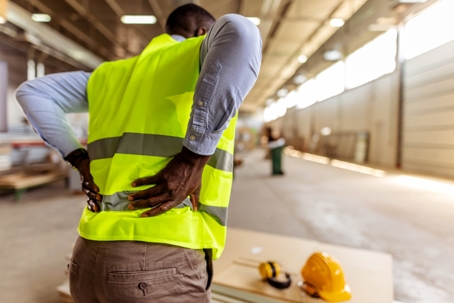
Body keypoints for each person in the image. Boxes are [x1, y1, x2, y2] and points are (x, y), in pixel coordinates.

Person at [16, 4, 262, 303]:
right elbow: (241, 30)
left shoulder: (109, 75)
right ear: (202, 34)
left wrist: (78, 159)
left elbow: (32, 92)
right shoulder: (197, 53)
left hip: (88, 257)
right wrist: (191, 158)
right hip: (161, 258)